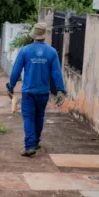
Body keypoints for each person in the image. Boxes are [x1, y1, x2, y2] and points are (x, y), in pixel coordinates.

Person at [6, 22, 66, 156]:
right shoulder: (51, 52)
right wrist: (61, 90)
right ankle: (36, 142)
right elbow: (56, 73)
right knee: (39, 117)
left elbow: (16, 70)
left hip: (28, 91)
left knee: (28, 117)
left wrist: (10, 87)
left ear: (33, 34)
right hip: (43, 92)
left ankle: (29, 146)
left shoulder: (25, 51)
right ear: (45, 36)